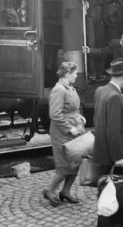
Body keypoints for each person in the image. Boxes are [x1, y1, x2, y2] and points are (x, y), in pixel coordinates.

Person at [93, 58, 123, 227]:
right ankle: (106, 224)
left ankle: (120, 220)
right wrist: (118, 157)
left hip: (104, 150)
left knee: (118, 188)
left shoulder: (101, 90)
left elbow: (99, 121)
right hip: (115, 153)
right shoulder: (115, 96)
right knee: (111, 191)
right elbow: (113, 130)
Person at [42, 61, 87, 207]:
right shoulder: (59, 90)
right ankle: (49, 190)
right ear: (67, 74)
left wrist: (79, 117)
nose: (76, 75)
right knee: (64, 166)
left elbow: (71, 109)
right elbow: (55, 114)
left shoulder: (69, 88)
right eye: (74, 73)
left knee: (75, 162)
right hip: (62, 133)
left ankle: (65, 192)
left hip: (74, 130)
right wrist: (70, 128)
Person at [83, 0, 116, 80]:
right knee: (91, 42)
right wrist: (84, 1)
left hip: (104, 13)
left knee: (101, 42)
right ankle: (91, 73)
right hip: (90, 11)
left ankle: (100, 72)